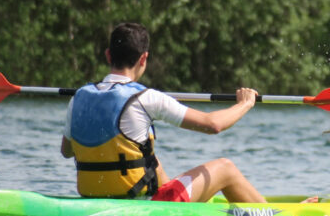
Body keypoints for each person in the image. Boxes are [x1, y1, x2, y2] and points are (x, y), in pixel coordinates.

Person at [60, 22, 265, 203]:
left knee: (145, 151)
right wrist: (245, 104)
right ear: (144, 58)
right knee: (225, 167)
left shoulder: (78, 97)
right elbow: (213, 125)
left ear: (108, 55)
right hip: (147, 205)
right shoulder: (147, 98)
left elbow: (67, 151)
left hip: (91, 198)